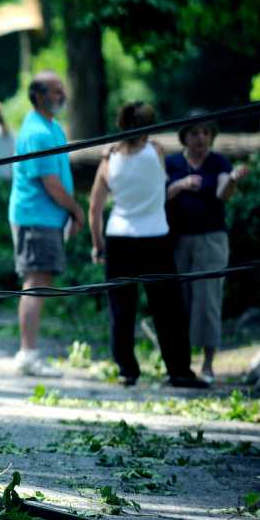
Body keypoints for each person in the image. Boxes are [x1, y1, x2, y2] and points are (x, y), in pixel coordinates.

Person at [88, 103, 209, 388]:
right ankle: (178, 370)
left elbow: (95, 208)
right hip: (155, 236)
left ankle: (127, 370)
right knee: (168, 308)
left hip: (119, 238)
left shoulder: (108, 160)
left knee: (121, 309)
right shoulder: (156, 151)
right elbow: (159, 184)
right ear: (148, 127)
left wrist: (98, 245)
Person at [7, 71, 84, 377]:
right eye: (55, 90)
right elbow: (50, 183)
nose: (62, 94)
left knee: (41, 281)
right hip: (35, 216)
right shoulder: (37, 132)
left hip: (46, 217)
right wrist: (77, 210)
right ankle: (27, 354)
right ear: (38, 95)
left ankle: (29, 352)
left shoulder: (51, 127)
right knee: (35, 282)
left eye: (62, 89)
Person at [165, 111, 250, 383]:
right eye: (194, 133)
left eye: (205, 133)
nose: (200, 138)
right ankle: (180, 365)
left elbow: (222, 192)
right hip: (177, 240)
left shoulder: (218, 162)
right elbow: (160, 194)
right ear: (184, 137)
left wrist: (233, 178)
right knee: (179, 302)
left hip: (211, 240)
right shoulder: (172, 163)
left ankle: (209, 364)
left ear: (211, 136)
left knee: (208, 300)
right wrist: (180, 185)